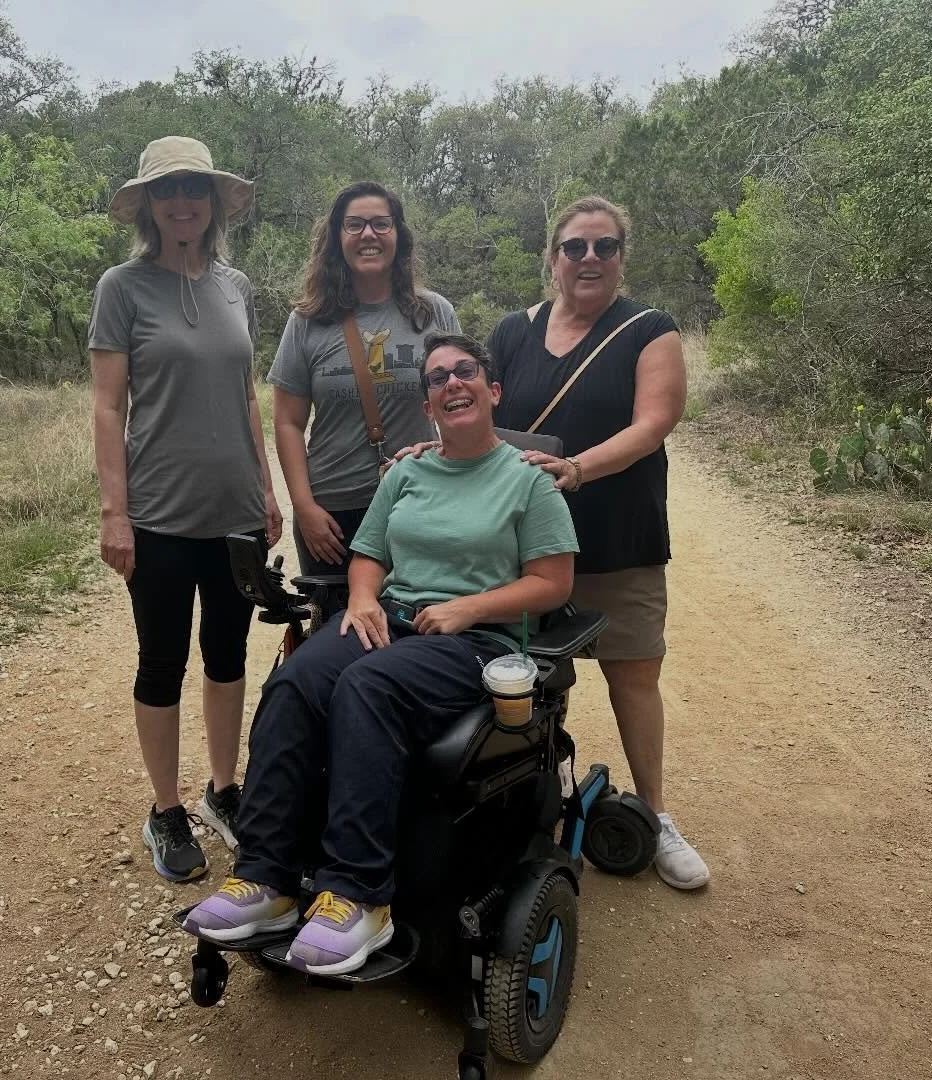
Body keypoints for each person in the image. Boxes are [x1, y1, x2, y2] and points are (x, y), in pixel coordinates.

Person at [181, 334, 579, 975]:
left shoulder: (528, 480)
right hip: (391, 619)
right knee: (297, 680)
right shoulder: (408, 472)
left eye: (465, 372)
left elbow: (553, 583)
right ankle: (269, 879)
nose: (452, 383)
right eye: (438, 378)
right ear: (428, 405)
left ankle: (361, 896)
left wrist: (468, 608)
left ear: (492, 391)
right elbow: (369, 556)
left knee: (368, 687)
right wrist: (363, 599)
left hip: (475, 639)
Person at [487, 195, 710, 890]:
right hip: (524, 545)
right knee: (524, 677)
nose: (589, 259)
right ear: (551, 257)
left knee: (633, 674)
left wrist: (578, 469)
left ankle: (654, 812)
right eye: (575, 246)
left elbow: (655, 422)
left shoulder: (650, 330)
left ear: (621, 257)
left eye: (604, 247)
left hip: (618, 537)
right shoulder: (509, 333)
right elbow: (476, 422)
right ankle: (528, 806)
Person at [88, 136, 282, 883]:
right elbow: (108, 408)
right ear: (148, 205)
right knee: (162, 661)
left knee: (229, 656)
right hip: (160, 513)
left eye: (194, 190)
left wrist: (265, 488)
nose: (182, 204)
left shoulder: (236, 287)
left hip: (234, 510)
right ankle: (166, 809)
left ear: (211, 202)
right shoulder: (122, 288)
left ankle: (223, 789)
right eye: (168, 191)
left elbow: (245, 396)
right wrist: (115, 511)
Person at [269, 181, 460, 576]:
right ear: (337, 238)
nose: (368, 234)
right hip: (333, 513)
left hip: (418, 499)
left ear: (398, 236)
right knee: (336, 629)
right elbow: (288, 423)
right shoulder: (308, 320)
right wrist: (305, 509)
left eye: (380, 224)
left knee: (415, 627)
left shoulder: (434, 313)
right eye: (354, 225)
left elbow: (460, 406)